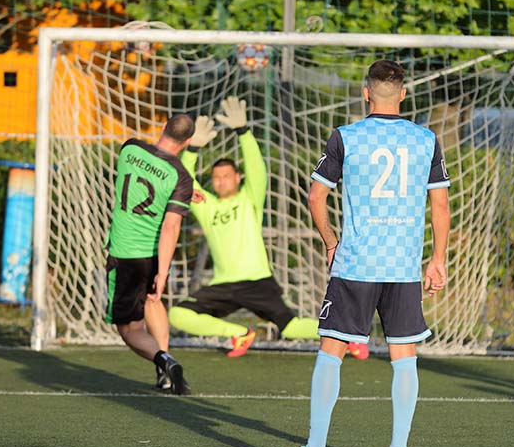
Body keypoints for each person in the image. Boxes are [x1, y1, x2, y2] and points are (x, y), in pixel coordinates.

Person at [283, 59, 450, 447]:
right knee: (404, 356)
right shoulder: (425, 139)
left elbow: (315, 197)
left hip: (356, 262)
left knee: (331, 351)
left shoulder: (346, 136)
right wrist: (438, 259)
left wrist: (330, 241)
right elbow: (440, 203)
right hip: (404, 265)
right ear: (405, 94)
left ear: (366, 93)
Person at [168, 96, 366, 359]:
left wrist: (243, 133)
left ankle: (347, 335)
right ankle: (238, 333)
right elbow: (184, 182)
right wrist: (191, 151)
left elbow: (257, 169)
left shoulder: (249, 198)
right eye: (216, 178)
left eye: (227, 176)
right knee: (178, 314)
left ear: (238, 178)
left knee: (292, 327)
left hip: (257, 282)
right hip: (223, 285)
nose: (221, 181)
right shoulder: (206, 206)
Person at [106, 114, 195, 395]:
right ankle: (164, 372)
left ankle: (163, 360)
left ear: (163, 126)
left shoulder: (130, 148)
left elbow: (151, 172)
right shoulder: (181, 177)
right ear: (189, 142)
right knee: (153, 301)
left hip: (124, 255)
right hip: (151, 255)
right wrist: (163, 272)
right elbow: (170, 227)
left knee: (128, 330)